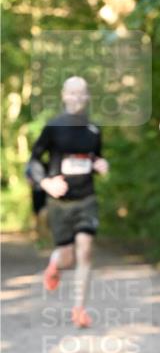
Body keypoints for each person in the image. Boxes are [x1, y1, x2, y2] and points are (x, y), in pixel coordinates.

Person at [26, 76, 108, 328]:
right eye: (72, 93)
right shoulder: (53, 127)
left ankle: (79, 309)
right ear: (63, 96)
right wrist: (46, 183)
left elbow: (93, 160)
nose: (77, 97)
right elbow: (32, 163)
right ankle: (54, 264)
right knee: (67, 258)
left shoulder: (94, 130)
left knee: (85, 250)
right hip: (59, 202)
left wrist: (100, 165)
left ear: (87, 97)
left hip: (86, 198)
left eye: (82, 93)